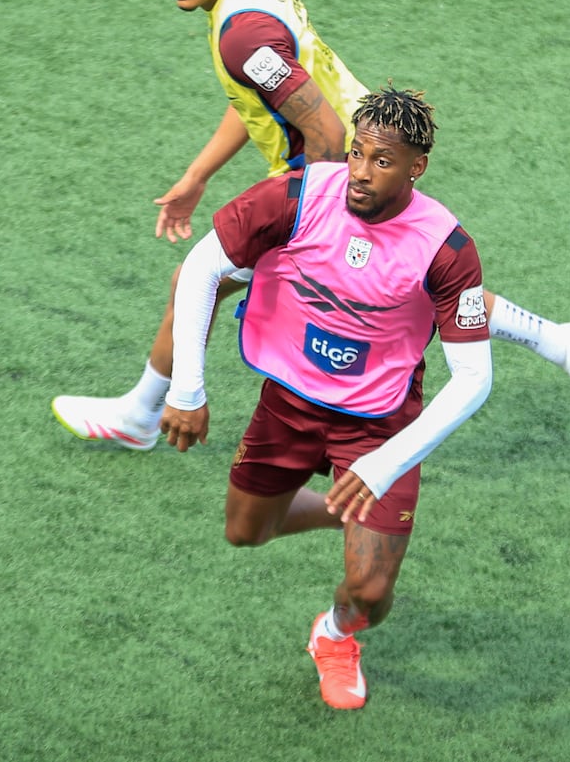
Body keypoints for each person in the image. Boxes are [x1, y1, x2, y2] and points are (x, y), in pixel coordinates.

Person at [51, 0, 570, 449]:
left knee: (210, 280)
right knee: (406, 280)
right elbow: (259, 95)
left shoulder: (242, 33)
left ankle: (145, 412)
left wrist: (322, 216)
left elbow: (320, 129)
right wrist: (200, 173)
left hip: (343, 170)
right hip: (360, 157)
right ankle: (560, 341)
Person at [160, 86, 492, 709]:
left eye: (382, 161)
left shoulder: (447, 249)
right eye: (358, 153)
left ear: (416, 167)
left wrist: (381, 464)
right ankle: (348, 507)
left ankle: (335, 637)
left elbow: (474, 378)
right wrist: (186, 389)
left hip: (380, 424)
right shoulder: (297, 195)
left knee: (370, 592)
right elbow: (202, 269)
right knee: (244, 533)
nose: (360, 173)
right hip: (288, 402)